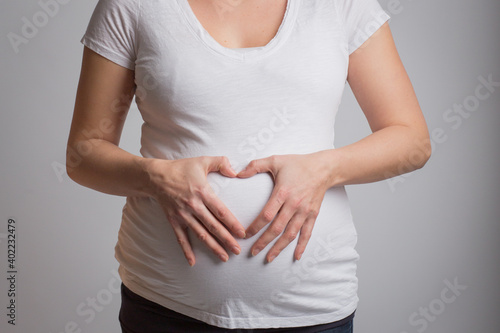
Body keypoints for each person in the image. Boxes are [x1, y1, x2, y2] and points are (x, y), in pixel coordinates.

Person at [67, 0, 431, 332]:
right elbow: (84, 154)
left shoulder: (342, 5)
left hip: (310, 310)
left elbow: (411, 140)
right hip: (165, 306)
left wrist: (324, 169)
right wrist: (156, 177)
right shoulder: (133, 5)